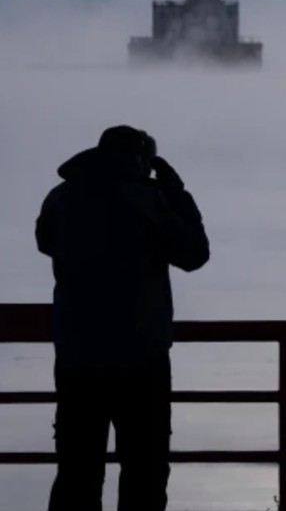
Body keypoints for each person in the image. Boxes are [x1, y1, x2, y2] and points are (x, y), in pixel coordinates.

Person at [35, 125, 210, 511]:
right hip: (140, 356)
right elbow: (194, 254)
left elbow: (45, 242)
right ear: (140, 160)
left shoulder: (61, 197)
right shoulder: (148, 200)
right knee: (144, 471)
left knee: (77, 472)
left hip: (77, 356)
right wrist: (176, 194)